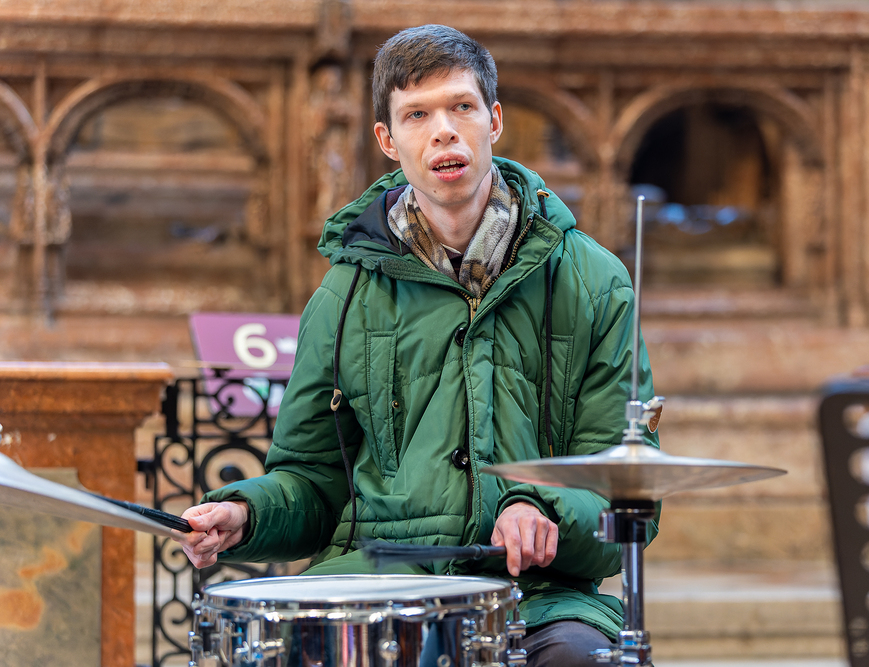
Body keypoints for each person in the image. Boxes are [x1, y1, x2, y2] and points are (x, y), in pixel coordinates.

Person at [173, 24, 659, 665]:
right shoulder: (344, 292)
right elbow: (314, 481)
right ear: (387, 139)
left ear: (494, 120)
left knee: (580, 660)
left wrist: (538, 508)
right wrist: (247, 514)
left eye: (462, 107)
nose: (444, 131)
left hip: (539, 596)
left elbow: (625, 487)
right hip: (376, 584)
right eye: (417, 115)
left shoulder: (593, 281)